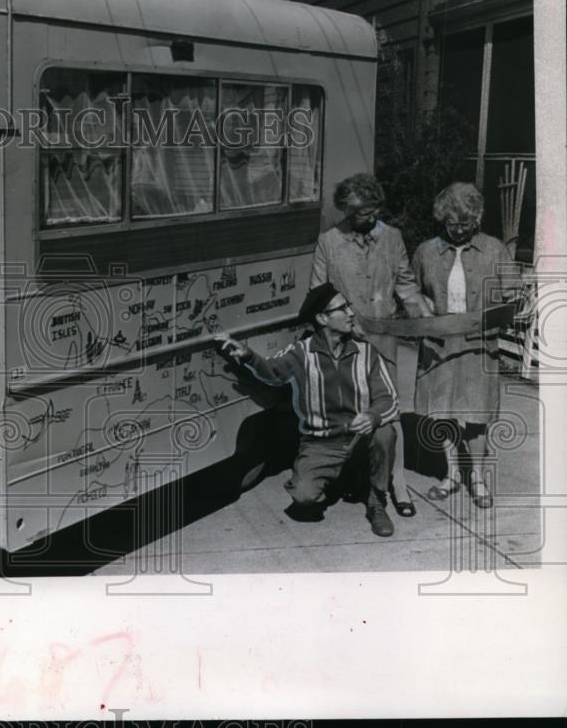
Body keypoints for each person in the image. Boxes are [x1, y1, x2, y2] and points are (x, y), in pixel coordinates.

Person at [214, 282, 400, 537]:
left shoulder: (366, 353)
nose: (351, 313)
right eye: (342, 309)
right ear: (322, 318)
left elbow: (387, 397)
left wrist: (372, 416)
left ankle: (376, 500)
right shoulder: (302, 352)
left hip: (359, 439)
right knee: (303, 499)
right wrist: (247, 355)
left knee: (385, 432)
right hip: (321, 444)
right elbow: (273, 371)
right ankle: (341, 478)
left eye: (349, 307)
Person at [310, 173, 431, 518]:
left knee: (387, 413)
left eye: (368, 211)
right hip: (342, 341)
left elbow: (406, 285)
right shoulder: (329, 242)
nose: (363, 218)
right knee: (347, 411)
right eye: (356, 213)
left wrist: (425, 322)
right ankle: (350, 477)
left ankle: (398, 482)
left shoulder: (392, 238)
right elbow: (318, 293)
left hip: (382, 340)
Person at [411, 182, 520, 509]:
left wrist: (514, 302)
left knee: (477, 413)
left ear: (477, 220)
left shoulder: (494, 249)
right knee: (443, 412)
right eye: (451, 224)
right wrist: (421, 306)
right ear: (442, 220)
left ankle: (478, 479)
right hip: (439, 343)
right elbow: (410, 292)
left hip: (479, 344)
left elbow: (514, 290)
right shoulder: (426, 251)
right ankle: (452, 474)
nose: (458, 231)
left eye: (465, 224)